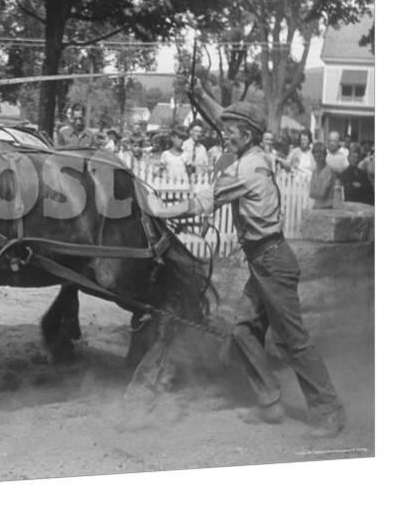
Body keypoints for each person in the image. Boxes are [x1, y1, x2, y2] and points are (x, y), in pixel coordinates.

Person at [147, 89, 346, 438]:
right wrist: (200, 94)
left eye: (232, 131)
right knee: (242, 330)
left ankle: (329, 410)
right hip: (264, 261)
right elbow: (227, 114)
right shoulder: (258, 154)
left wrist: (157, 210)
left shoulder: (246, 168)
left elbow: (202, 202)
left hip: (272, 263)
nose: (225, 135)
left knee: (292, 341)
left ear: (248, 134)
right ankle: (269, 401)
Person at [309, 142, 336, 209]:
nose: (318, 159)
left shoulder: (328, 171)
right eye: (316, 157)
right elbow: (311, 193)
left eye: (320, 156)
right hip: (316, 207)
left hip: (327, 208)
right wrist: (315, 192)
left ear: (325, 156)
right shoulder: (315, 171)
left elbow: (322, 194)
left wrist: (315, 192)